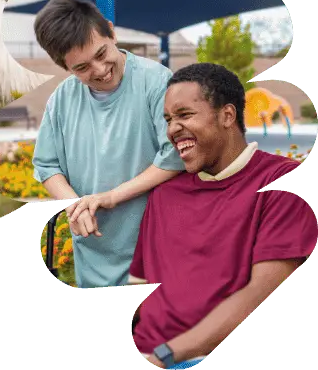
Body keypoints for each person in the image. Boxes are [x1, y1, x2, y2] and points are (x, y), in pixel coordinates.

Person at [129, 63, 318, 369]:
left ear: (227, 116)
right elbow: (143, 290)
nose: (173, 129)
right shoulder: (165, 194)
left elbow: (260, 297)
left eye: (184, 114)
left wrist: (164, 356)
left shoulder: (284, 183)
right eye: (168, 119)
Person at [30, 0, 185, 289]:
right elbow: (47, 166)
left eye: (101, 54)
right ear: (66, 68)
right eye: (82, 68)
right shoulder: (61, 99)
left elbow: (174, 155)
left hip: (156, 253)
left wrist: (111, 196)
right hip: (93, 257)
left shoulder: (158, 82)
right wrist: (75, 206)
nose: (100, 71)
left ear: (112, 32)